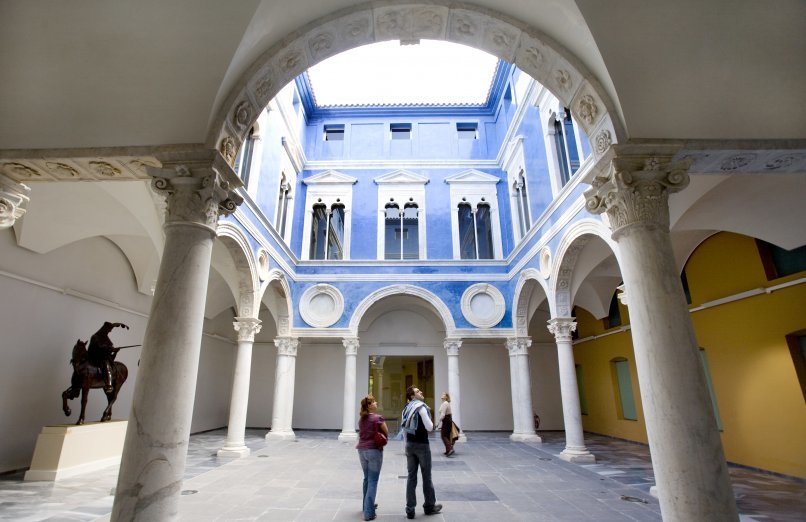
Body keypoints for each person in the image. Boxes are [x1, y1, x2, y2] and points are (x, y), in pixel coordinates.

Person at [401, 386, 442, 519]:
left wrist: (406, 446)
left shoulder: (406, 408)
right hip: (422, 445)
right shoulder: (421, 407)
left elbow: (404, 430)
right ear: (412, 396)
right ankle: (429, 506)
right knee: (426, 476)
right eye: (418, 391)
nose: (421, 392)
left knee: (411, 477)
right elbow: (430, 427)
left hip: (410, 445)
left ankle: (410, 509)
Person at [356, 394, 387, 521]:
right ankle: (369, 513)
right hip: (374, 450)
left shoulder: (361, 419)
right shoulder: (378, 418)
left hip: (361, 450)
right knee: (373, 480)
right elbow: (386, 431)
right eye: (373, 402)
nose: (376, 403)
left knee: (367, 479)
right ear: (369, 406)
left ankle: (366, 506)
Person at [87, 321, 128, 392]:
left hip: (102, 356)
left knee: (107, 363)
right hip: (95, 356)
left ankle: (108, 382)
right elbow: (100, 347)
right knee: (106, 365)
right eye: (109, 330)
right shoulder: (95, 337)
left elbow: (109, 346)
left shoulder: (106, 338)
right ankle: (109, 384)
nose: (109, 332)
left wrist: (114, 350)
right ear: (105, 329)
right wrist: (111, 349)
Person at [436, 392, 455, 456]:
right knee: (446, 435)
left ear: (446, 397)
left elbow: (443, 414)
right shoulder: (446, 403)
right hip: (448, 419)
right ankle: (448, 450)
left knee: (443, 435)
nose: (442, 395)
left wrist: (438, 422)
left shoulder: (445, 403)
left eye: (444, 394)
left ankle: (450, 449)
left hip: (446, 420)